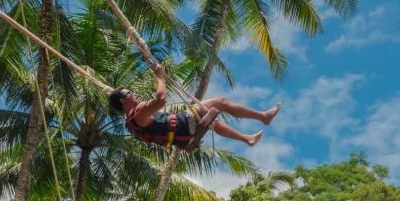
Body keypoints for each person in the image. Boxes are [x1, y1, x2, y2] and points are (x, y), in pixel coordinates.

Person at [108, 64, 280, 149]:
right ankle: (262, 117)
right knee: (220, 101)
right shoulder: (137, 114)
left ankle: (246, 139)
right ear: (123, 101)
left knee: (211, 120)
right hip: (183, 127)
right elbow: (161, 100)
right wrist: (159, 76)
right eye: (130, 93)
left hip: (183, 135)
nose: (134, 94)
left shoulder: (131, 124)